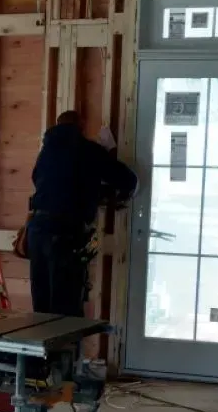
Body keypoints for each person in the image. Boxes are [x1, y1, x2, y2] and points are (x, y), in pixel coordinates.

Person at [26, 111, 138, 316]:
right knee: (66, 304)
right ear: (81, 126)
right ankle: (65, 348)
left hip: (37, 232)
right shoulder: (88, 150)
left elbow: (51, 184)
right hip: (65, 235)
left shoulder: (45, 153)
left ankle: (42, 346)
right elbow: (127, 180)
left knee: (41, 304)